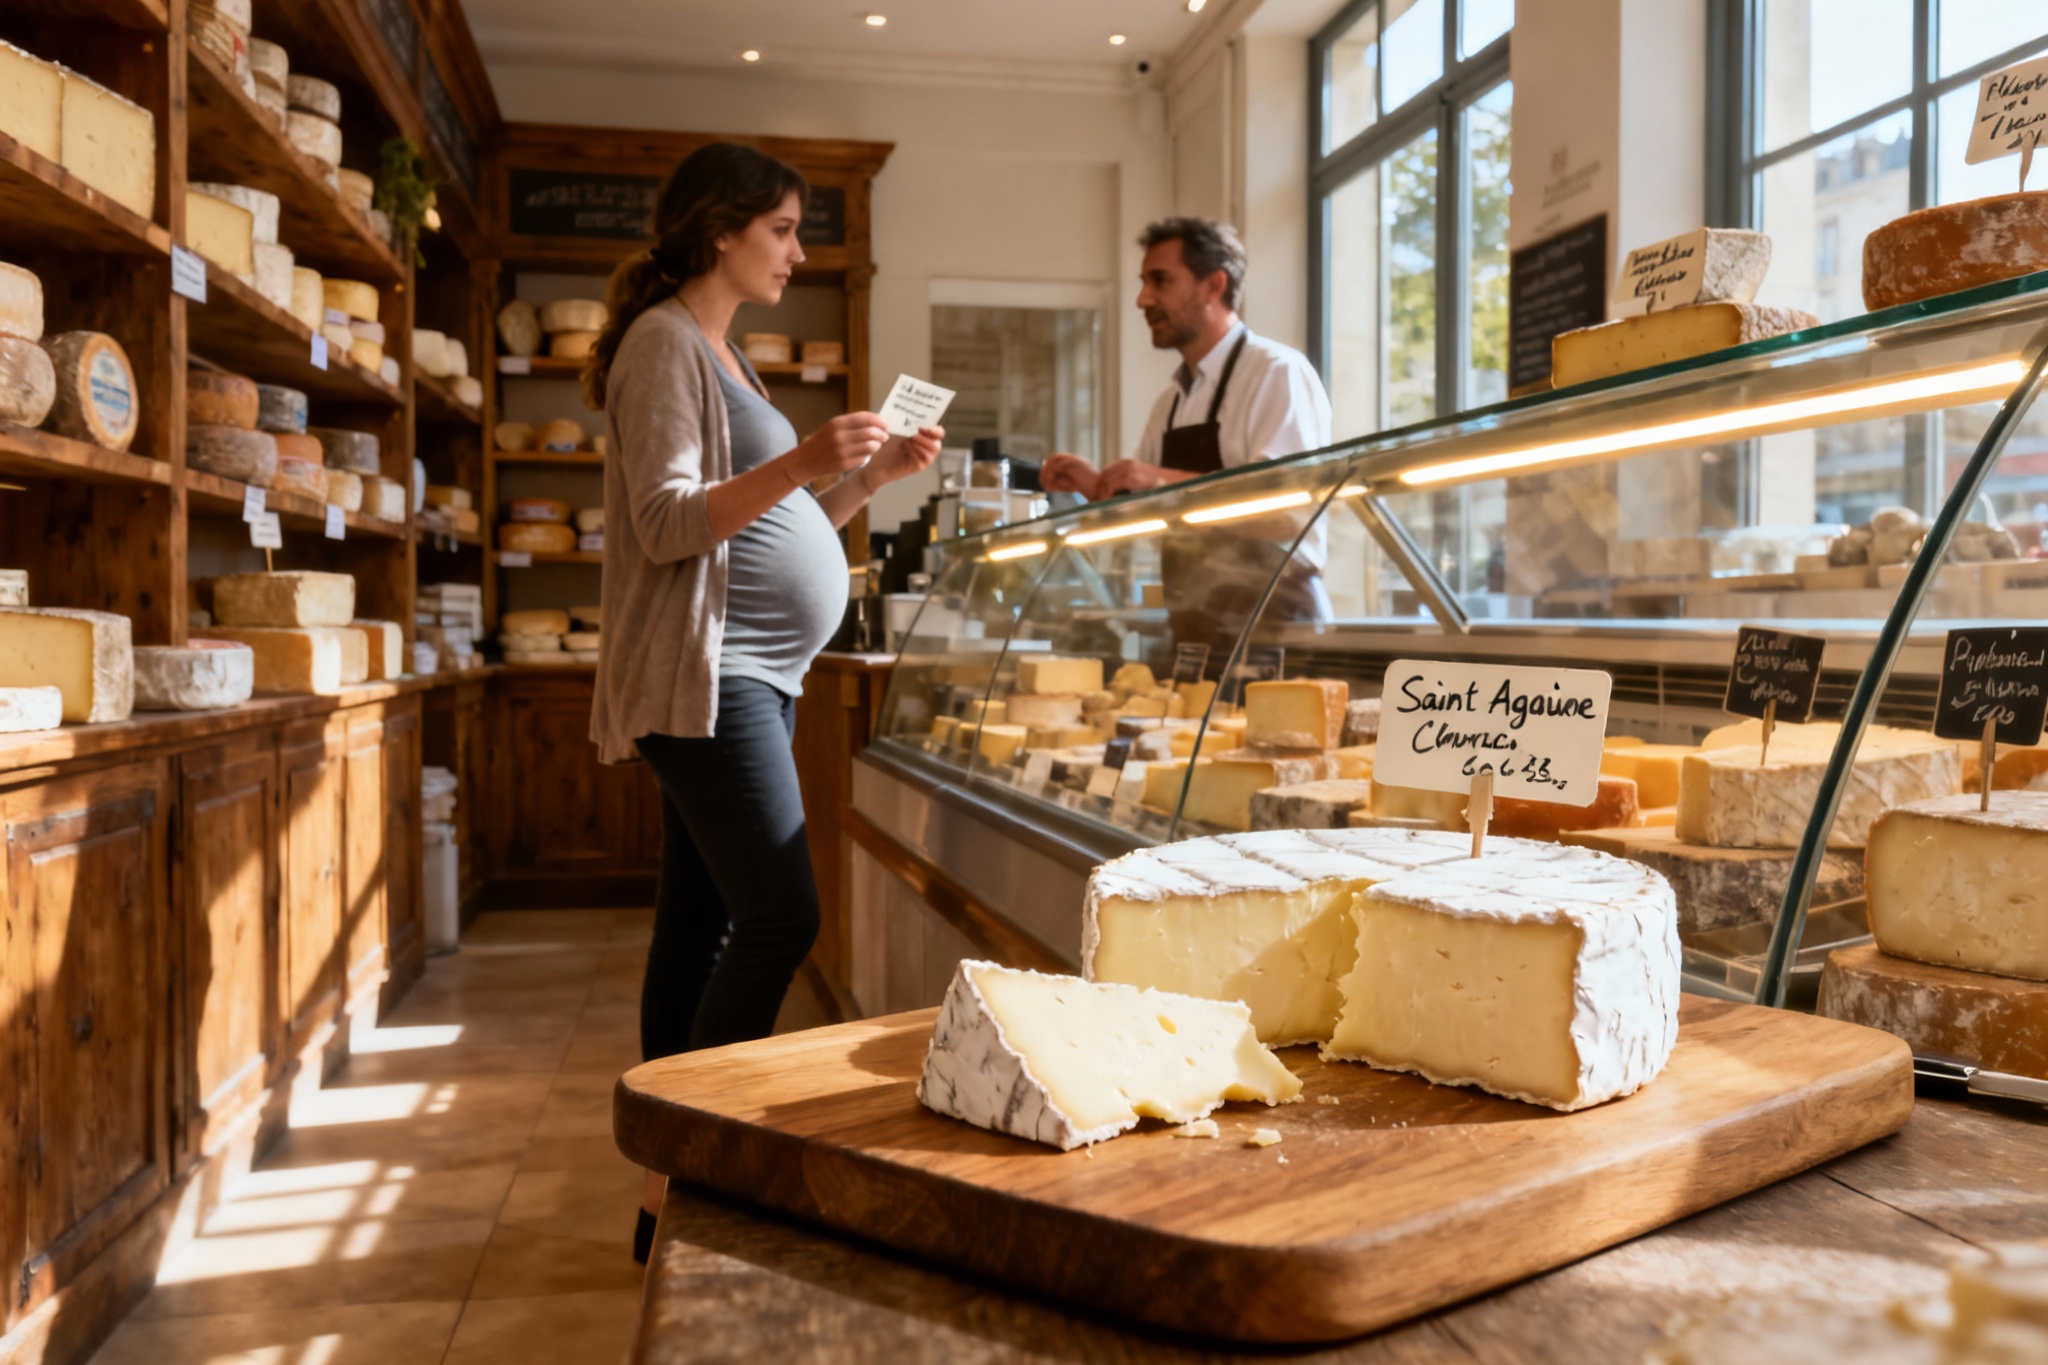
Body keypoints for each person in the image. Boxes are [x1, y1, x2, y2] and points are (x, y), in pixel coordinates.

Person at [582, 142, 942, 1262]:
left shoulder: (723, 355)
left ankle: (665, 1186)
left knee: (696, 927)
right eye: (781, 230)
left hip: (751, 676)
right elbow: (664, 522)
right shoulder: (662, 343)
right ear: (720, 230)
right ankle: (697, 1164)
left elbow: (761, 531)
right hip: (709, 677)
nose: (796, 252)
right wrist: (801, 462)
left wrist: (863, 482)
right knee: (782, 916)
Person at [1039, 217, 1334, 663]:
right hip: (1197, 631)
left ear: (1214, 285)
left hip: (1275, 631)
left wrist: (1159, 481)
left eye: (1160, 281)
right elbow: (1145, 512)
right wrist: (1097, 486)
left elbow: (1287, 512)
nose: (1143, 299)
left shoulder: (1276, 373)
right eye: (1143, 283)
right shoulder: (1171, 402)